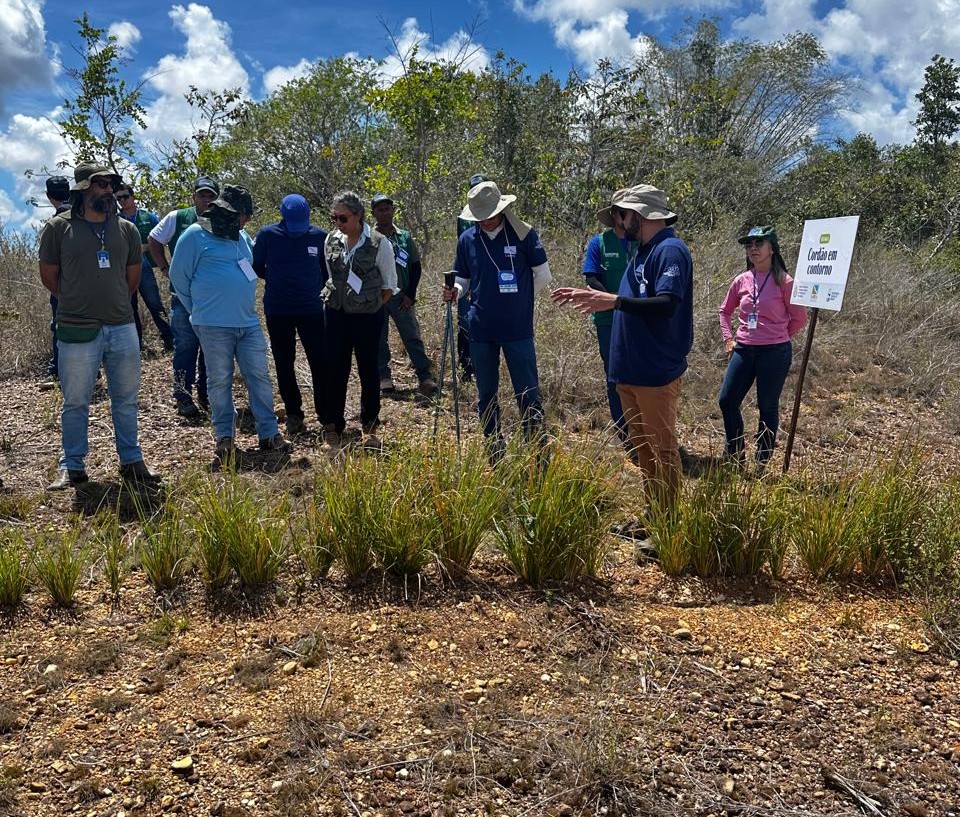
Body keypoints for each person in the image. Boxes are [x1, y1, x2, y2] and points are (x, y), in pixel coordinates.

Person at [552, 184, 692, 507]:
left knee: (662, 450)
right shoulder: (643, 250)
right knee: (642, 447)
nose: (619, 219)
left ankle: (667, 526)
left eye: (623, 213)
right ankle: (652, 515)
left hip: (655, 371)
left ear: (640, 214)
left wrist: (613, 301)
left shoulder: (669, 250)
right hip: (630, 370)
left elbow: (666, 304)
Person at [38, 163, 162, 490]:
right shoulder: (58, 228)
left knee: (125, 398)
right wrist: (76, 301)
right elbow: (49, 276)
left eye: (111, 184)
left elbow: (132, 278)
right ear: (83, 189)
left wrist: (115, 300)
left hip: (121, 325)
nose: (108, 190)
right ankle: (72, 466)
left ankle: (132, 461)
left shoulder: (126, 230)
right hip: (77, 328)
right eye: (101, 184)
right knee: (76, 401)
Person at [169, 185, 291, 461]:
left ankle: (269, 434)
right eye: (243, 215)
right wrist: (198, 310)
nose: (246, 221)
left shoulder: (242, 237)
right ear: (228, 212)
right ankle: (225, 436)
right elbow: (179, 278)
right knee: (220, 380)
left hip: (247, 322)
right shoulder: (195, 235)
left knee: (259, 376)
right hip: (212, 325)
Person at [442, 181, 552, 458]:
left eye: (489, 215)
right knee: (486, 393)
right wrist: (454, 291)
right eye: (480, 217)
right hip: (481, 327)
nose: (486, 221)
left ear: (502, 209)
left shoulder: (523, 234)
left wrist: (520, 300)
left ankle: (537, 449)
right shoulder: (467, 239)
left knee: (527, 392)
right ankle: (494, 449)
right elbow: (463, 279)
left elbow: (543, 275)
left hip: (517, 328)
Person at [718, 226, 807, 470]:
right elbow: (725, 312)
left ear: (772, 248)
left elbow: (799, 317)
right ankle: (735, 452)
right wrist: (729, 339)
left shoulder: (785, 282)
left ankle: (762, 460)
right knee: (727, 400)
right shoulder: (742, 280)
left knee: (767, 405)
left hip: (774, 353)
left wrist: (778, 337)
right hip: (744, 350)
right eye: (749, 245)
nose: (753, 248)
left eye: (759, 243)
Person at [321, 191, 397, 452]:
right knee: (335, 371)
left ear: (358, 216)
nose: (338, 223)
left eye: (343, 218)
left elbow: (389, 286)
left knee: (368, 371)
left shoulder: (379, 243)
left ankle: (370, 427)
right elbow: (331, 275)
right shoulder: (331, 239)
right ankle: (333, 428)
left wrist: (369, 306)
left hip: (367, 318)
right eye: (335, 218)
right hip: (336, 316)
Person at [251, 194, 328, 436]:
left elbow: (327, 271)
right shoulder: (267, 235)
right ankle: (294, 413)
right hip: (278, 309)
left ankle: (326, 414)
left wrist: (313, 289)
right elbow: (257, 266)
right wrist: (277, 280)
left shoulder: (319, 236)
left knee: (320, 362)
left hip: (312, 310)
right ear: (282, 216)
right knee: (285, 363)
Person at [148, 178, 219, 419]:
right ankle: (182, 396)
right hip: (182, 297)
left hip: (212, 299)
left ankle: (207, 394)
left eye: (211, 196)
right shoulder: (177, 217)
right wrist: (164, 267)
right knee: (186, 346)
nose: (206, 200)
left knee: (210, 348)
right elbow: (154, 240)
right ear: (194, 196)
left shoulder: (223, 220)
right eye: (202, 195)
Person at [371, 193, 436, 396]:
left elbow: (415, 267)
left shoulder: (404, 237)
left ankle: (425, 376)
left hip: (401, 297)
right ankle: (384, 378)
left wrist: (411, 295)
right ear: (373, 213)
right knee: (378, 338)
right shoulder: (369, 237)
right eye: (380, 209)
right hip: (378, 297)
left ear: (393, 210)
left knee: (411, 336)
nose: (385, 212)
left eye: (388, 208)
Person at [582, 188, 635, 442]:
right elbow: (591, 278)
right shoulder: (599, 243)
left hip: (639, 317)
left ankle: (642, 429)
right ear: (614, 215)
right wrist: (612, 301)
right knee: (614, 373)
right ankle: (623, 430)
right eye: (623, 211)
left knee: (639, 371)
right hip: (607, 319)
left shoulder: (643, 241)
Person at [116, 184, 174, 353]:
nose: (122, 201)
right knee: (129, 307)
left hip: (145, 269)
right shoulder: (115, 219)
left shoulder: (147, 217)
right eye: (118, 198)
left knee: (155, 304)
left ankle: (169, 338)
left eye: (125, 196)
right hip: (123, 271)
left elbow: (160, 238)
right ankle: (136, 344)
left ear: (133, 197)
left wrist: (145, 248)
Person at [453, 173, 488, 382]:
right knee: (465, 323)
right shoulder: (463, 218)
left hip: (488, 280)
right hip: (469, 277)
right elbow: (464, 247)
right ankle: (467, 368)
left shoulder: (500, 215)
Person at [43, 175, 72, 383]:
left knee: (60, 325)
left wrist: (57, 290)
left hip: (64, 285)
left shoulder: (56, 222)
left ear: (48, 196)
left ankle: (60, 371)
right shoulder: (84, 215)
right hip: (87, 283)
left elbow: (48, 262)